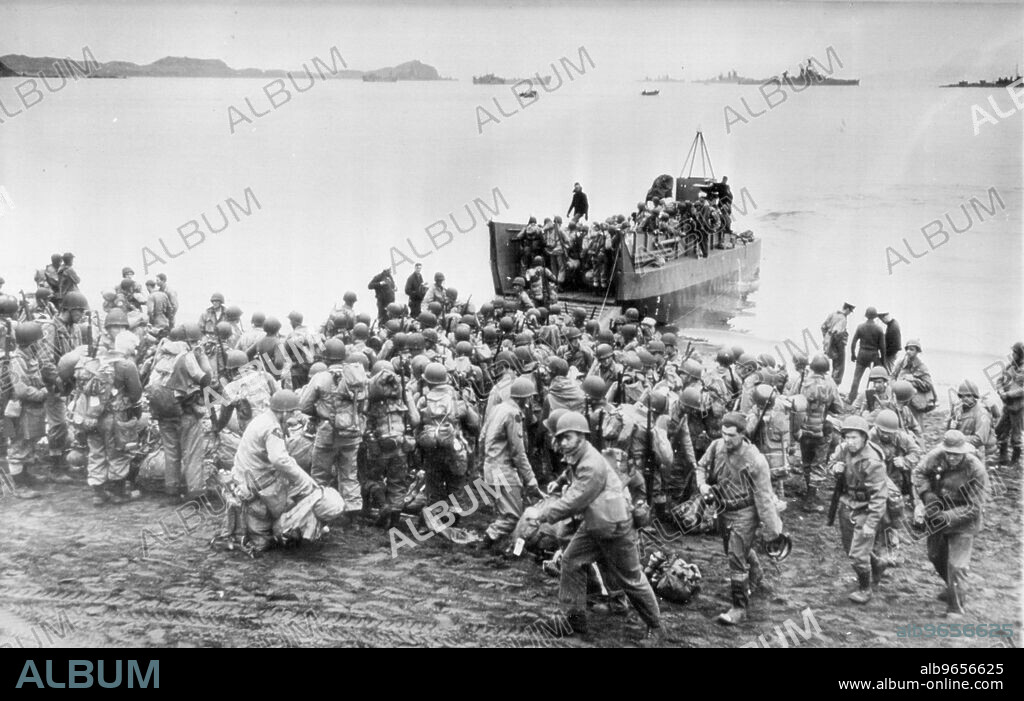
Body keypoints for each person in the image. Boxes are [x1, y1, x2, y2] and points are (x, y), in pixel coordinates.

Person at [528, 411, 664, 644]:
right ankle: (573, 620)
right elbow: (571, 483)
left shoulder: (591, 464)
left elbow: (575, 500)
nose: (561, 443)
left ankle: (656, 627)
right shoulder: (578, 455)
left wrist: (542, 514)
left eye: (566, 437)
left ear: (581, 436)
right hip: (595, 523)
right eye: (559, 438)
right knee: (571, 561)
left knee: (631, 579)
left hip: (616, 526)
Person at [227, 390, 345, 553]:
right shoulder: (272, 427)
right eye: (291, 412)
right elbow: (279, 459)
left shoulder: (263, 419)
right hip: (261, 484)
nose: (292, 416)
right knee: (328, 500)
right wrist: (305, 480)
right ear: (283, 412)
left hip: (248, 482)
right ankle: (291, 530)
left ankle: (282, 528)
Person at [696, 411, 784, 625]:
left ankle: (739, 607)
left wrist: (773, 531)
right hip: (723, 509)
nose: (726, 439)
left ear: (743, 435)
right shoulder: (716, 446)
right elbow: (700, 466)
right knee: (734, 550)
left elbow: (763, 498)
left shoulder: (755, 460)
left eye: (731, 435)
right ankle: (755, 574)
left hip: (745, 512)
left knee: (735, 557)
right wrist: (702, 485)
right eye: (724, 433)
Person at [912, 430, 989, 617]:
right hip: (937, 511)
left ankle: (956, 607)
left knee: (957, 565)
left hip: (964, 519)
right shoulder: (936, 456)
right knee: (935, 555)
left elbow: (974, 507)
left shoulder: (976, 469)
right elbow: (918, 473)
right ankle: (952, 587)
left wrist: (947, 516)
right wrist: (927, 494)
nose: (952, 457)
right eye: (949, 453)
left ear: (964, 452)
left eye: (957, 454)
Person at [300, 340, 368, 519]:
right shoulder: (356, 376)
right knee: (349, 475)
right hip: (352, 433)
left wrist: (320, 413)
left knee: (319, 475)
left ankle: (318, 513)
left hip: (327, 433)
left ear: (325, 357)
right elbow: (363, 406)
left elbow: (304, 405)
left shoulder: (320, 377)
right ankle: (353, 515)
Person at [146, 322, 213, 501]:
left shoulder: (161, 354)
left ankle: (171, 491)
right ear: (191, 341)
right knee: (192, 453)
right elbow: (206, 378)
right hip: (185, 412)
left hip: (162, 412)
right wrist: (204, 359)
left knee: (171, 453)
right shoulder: (186, 356)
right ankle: (195, 493)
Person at [80, 331, 144, 506]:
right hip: (116, 417)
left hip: (92, 416)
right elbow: (135, 393)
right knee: (118, 452)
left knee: (96, 452)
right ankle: (118, 492)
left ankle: (98, 494)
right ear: (129, 347)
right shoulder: (126, 366)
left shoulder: (98, 362)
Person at [829, 415, 888, 604]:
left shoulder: (872, 461)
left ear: (864, 437)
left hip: (866, 508)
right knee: (850, 548)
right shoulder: (844, 450)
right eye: (847, 437)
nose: (850, 442)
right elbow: (830, 463)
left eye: (854, 437)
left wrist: (871, 524)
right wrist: (834, 468)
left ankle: (865, 589)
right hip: (848, 504)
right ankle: (877, 563)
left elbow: (879, 496)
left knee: (857, 555)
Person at [482, 376, 543, 546]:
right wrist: (530, 478)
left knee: (504, 511)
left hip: (491, 467)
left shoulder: (498, 408)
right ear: (524, 397)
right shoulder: (513, 414)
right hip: (503, 471)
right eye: (530, 397)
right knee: (513, 516)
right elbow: (518, 452)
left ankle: (498, 545)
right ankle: (487, 543)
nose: (531, 400)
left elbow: (482, 436)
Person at [364, 361, 420, 528]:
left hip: (377, 446)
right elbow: (415, 420)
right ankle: (394, 522)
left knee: (373, 478)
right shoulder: (403, 392)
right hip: (400, 446)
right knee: (397, 483)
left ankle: (382, 507)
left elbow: (363, 418)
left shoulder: (370, 392)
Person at [4, 322, 49, 499]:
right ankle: (19, 485)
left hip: (29, 409)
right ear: (31, 343)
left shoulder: (29, 357)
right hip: (20, 410)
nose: (42, 344)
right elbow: (21, 389)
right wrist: (40, 393)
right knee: (18, 445)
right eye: (39, 341)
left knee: (28, 442)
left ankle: (25, 476)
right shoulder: (17, 360)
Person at [798, 353, 844, 513]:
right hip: (821, 430)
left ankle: (807, 490)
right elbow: (838, 408)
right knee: (818, 463)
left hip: (803, 429)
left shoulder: (803, 381)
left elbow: (793, 401)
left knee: (806, 460)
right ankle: (810, 499)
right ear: (827, 370)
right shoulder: (830, 383)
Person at [947, 380, 996, 463]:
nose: (965, 398)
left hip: (975, 449)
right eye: (962, 396)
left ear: (975, 396)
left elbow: (980, 439)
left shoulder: (981, 413)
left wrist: (956, 439)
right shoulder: (958, 409)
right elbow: (949, 429)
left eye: (969, 396)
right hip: (959, 445)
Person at [890, 339, 935, 422]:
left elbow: (928, 385)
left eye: (911, 349)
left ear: (917, 351)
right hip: (899, 398)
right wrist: (895, 387)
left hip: (914, 402)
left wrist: (914, 380)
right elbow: (892, 377)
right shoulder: (900, 363)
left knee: (915, 423)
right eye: (907, 349)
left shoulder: (921, 367)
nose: (908, 351)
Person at [847, 306, 884, 403]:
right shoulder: (879, 329)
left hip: (862, 354)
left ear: (866, 316)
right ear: (875, 317)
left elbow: (853, 342)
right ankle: (876, 398)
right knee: (877, 378)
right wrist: (883, 359)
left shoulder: (860, 327)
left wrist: (853, 354)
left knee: (856, 378)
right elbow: (882, 347)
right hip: (874, 355)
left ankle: (851, 398)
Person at [995, 341, 1023, 468]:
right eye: (1013, 352)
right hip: (1007, 405)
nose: (1013, 355)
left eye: (1015, 352)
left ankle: (1015, 461)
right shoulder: (1009, 367)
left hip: (1019, 407)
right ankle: (1003, 457)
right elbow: (999, 380)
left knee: (1016, 435)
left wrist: (1009, 394)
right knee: (1001, 431)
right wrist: (1000, 391)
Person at [820, 302, 853, 385]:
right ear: (848, 309)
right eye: (850, 311)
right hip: (837, 345)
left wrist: (826, 338)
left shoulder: (832, 314)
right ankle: (834, 386)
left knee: (825, 364)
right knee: (839, 367)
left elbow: (823, 327)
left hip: (827, 344)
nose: (850, 313)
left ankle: (824, 383)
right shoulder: (843, 319)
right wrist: (838, 346)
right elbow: (837, 333)